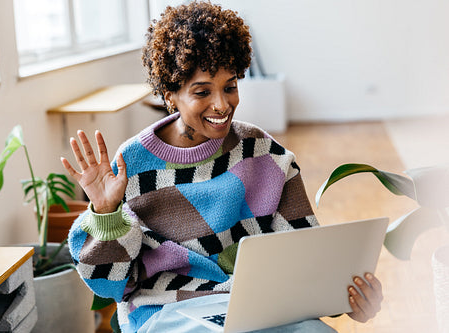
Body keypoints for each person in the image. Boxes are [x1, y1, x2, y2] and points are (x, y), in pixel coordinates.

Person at [61, 2, 383, 332]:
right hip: (169, 310)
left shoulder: (263, 153)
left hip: (259, 304)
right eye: (202, 91)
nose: (222, 104)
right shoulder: (133, 166)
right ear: (170, 93)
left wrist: (346, 299)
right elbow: (111, 287)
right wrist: (106, 212)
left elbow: (305, 255)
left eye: (230, 86)